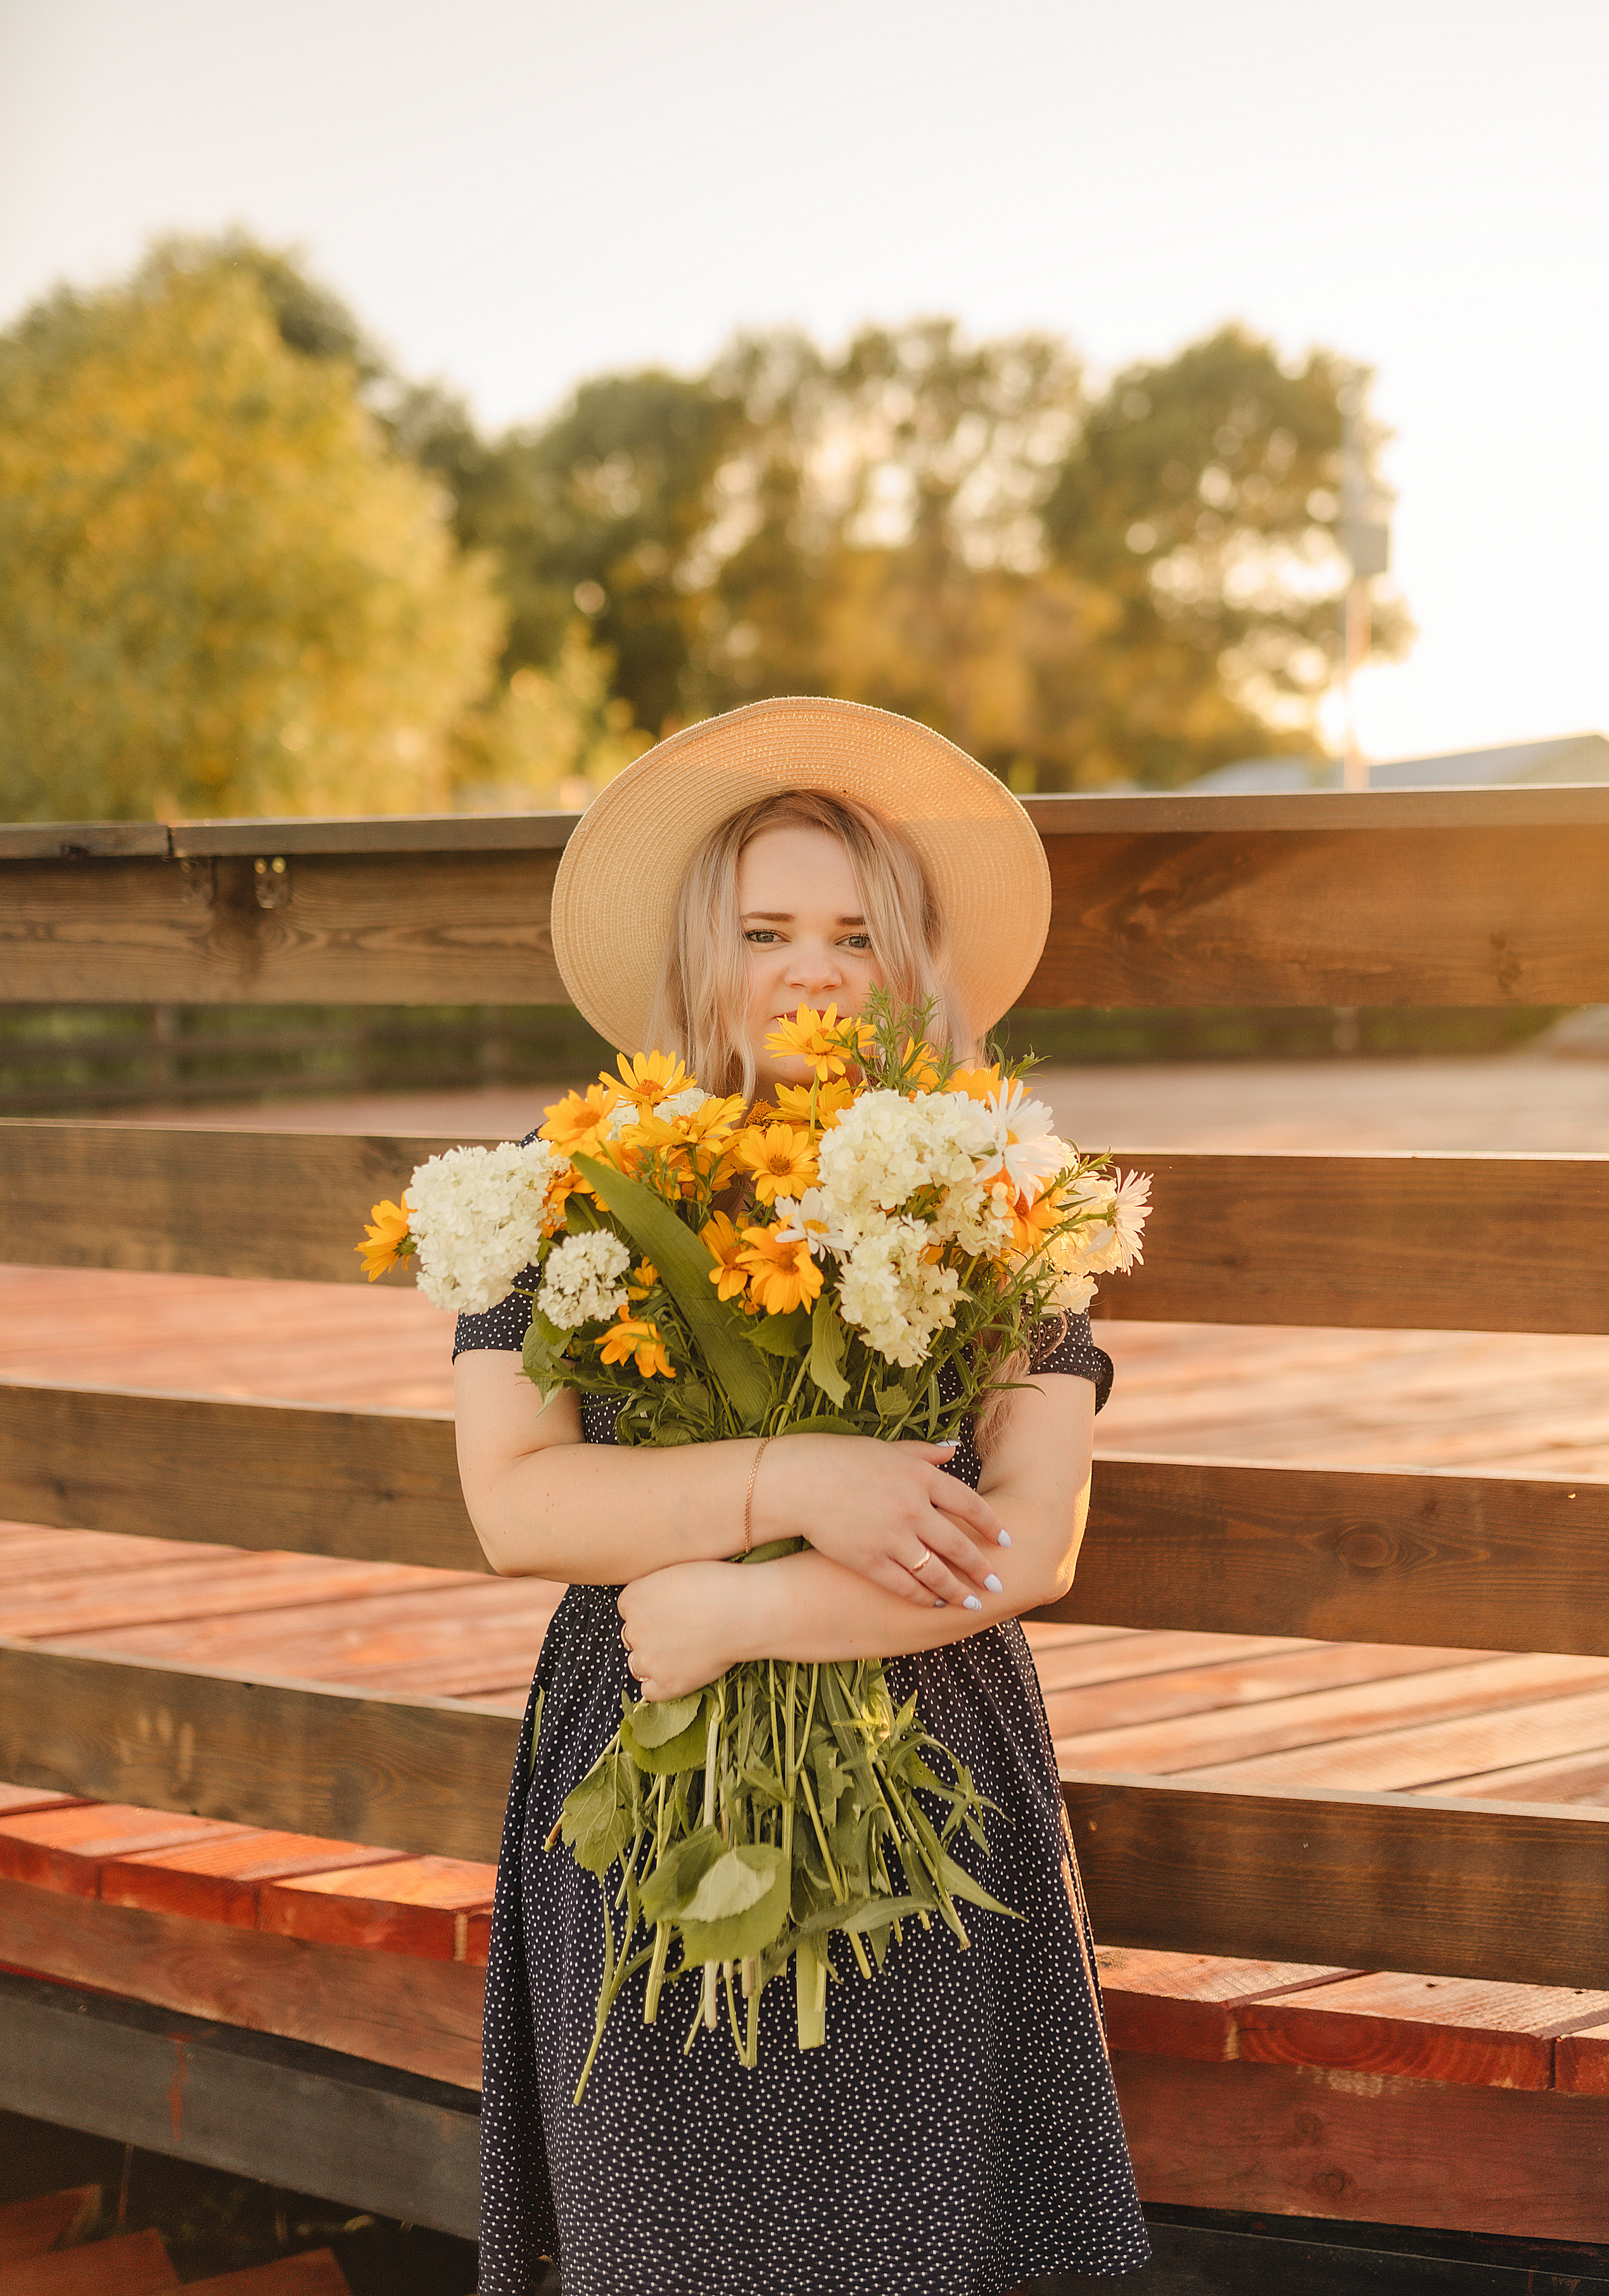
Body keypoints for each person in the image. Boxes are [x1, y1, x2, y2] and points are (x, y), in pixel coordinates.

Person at [453, 698, 1151, 2295]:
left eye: (855, 930)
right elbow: (517, 1502)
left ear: (910, 963)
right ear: (704, 951)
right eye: (765, 927)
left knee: (910, 2234)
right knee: (658, 2229)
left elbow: (1031, 1536)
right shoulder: (566, 1181)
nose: (813, 968)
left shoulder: (991, 1190)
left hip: (913, 1756)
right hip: (648, 1771)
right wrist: (797, 1475)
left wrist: (746, 1603)